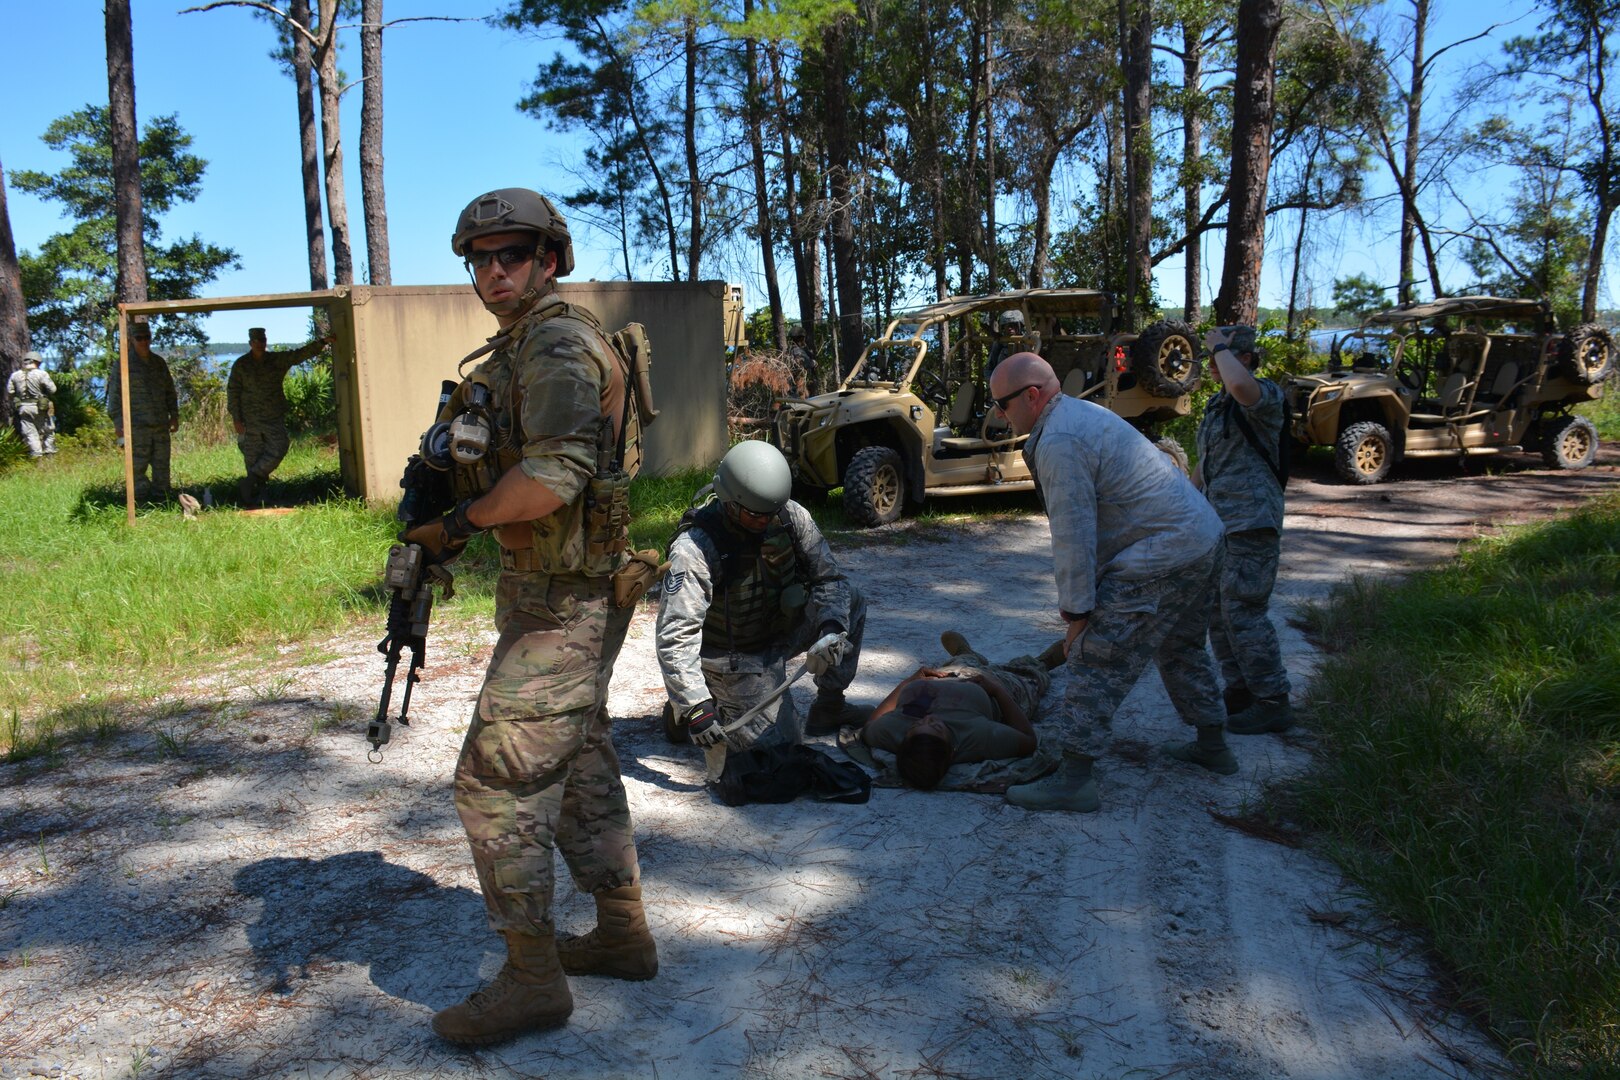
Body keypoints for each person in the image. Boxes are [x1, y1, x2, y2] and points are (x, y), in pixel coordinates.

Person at [400, 187, 655, 1045]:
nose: (495, 271)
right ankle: (623, 937)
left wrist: (460, 525)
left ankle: (533, 981)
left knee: (496, 781)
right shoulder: (517, 349)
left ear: (550, 259)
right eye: (481, 258)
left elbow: (555, 475)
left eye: (514, 255)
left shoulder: (552, 344)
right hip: (553, 590)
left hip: (568, 601)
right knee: (578, 758)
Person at [987, 352, 1235, 813]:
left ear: (1032, 395)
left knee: (1094, 657)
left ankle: (1075, 779)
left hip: (1166, 553)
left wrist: (1078, 614)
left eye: (1002, 404)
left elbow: (1074, 532)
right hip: (1203, 540)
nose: (1001, 415)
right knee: (1181, 646)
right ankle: (1213, 745)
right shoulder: (1079, 415)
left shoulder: (1059, 439)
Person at [656, 440, 868, 757]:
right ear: (729, 500)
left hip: (777, 633)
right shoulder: (695, 547)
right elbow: (676, 634)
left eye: (771, 512)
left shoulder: (789, 516)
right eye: (755, 515)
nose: (765, 521)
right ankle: (694, 702)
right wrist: (696, 708)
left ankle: (830, 706)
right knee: (779, 751)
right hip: (731, 655)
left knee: (851, 600)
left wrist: (830, 631)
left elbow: (828, 577)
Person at [1196, 325, 1292, 734]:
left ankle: (1273, 701)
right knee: (1218, 614)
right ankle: (1240, 690)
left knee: (1244, 612)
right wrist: (1185, 498)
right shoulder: (1218, 406)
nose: (1214, 365)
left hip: (1252, 521)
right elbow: (1209, 461)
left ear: (1246, 359)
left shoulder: (1264, 396)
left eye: (1222, 357)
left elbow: (1240, 384)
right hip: (1221, 523)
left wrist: (1218, 344)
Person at [859, 630, 1063, 789]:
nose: (929, 719)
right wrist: (998, 691)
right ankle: (1043, 663)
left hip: (950, 675)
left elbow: (870, 725)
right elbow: (1028, 740)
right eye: (937, 728)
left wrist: (909, 682)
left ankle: (966, 655)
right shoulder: (978, 738)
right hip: (996, 688)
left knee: (960, 663)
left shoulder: (893, 733)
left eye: (917, 725)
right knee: (1028, 679)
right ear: (952, 748)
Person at [226, 325, 329, 505]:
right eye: (256, 341)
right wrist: (236, 418)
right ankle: (255, 497)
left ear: (266, 342)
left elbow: (299, 355)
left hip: (273, 416)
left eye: (262, 340)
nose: (259, 344)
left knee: (280, 446)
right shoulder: (241, 364)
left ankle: (250, 482)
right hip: (249, 419)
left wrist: (322, 342)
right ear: (250, 343)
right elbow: (233, 391)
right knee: (252, 456)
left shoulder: (276, 360)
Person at [109, 320, 180, 501]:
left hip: (160, 425)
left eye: (146, 337)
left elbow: (169, 391)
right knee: (136, 467)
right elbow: (115, 397)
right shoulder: (123, 365)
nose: (143, 341)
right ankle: (140, 501)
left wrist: (174, 416)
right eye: (139, 338)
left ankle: (162, 500)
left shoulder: (159, 363)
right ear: (132, 339)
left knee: (162, 466)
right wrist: (118, 424)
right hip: (136, 427)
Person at [7, 352, 56, 459]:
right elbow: (52, 389)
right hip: (40, 408)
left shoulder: (15, 375)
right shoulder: (42, 374)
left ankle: (37, 457)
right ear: (37, 362)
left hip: (23, 408)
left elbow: (10, 392)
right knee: (48, 431)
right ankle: (49, 455)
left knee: (30, 433)